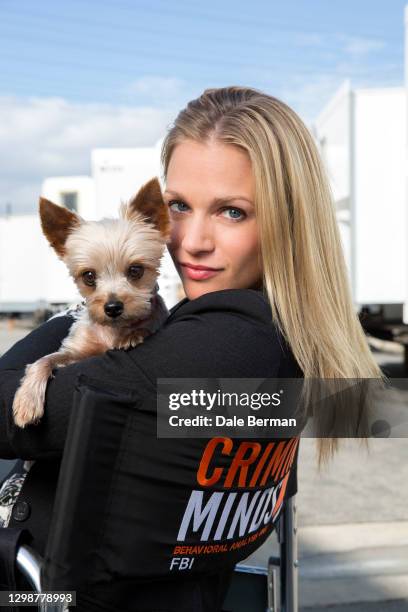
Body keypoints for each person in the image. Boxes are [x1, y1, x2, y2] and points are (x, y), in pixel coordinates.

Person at [0, 86, 383, 611]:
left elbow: (6, 410)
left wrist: (82, 305)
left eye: (232, 212)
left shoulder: (223, 348)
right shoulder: (272, 340)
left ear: (289, 222)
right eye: (178, 206)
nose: (191, 241)